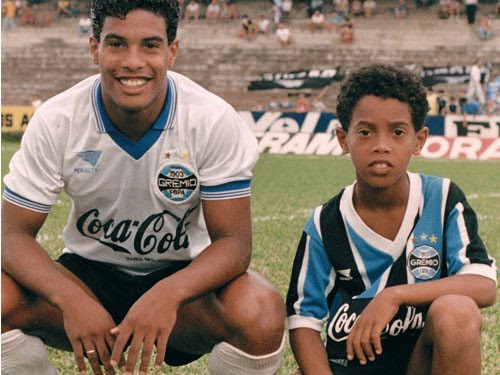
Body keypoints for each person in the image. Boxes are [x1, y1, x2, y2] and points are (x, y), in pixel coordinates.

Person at [1, 1, 286, 375]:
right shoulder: (58, 119)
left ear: (172, 51)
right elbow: (10, 235)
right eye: (116, 44)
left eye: (150, 45)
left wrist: (168, 294)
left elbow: (234, 245)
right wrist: (71, 299)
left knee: (260, 311)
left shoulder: (211, 119)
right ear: (94, 49)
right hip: (88, 277)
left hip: (184, 283)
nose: (133, 61)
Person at [286, 63, 497, 375]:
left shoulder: (442, 200)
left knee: (457, 310)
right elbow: (303, 321)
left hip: (420, 365)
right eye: (366, 132)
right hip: (351, 367)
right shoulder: (325, 223)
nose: (381, 145)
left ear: (419, 139)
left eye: (397, 132)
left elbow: (483, 285)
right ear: (344, 139)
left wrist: (393, 296)